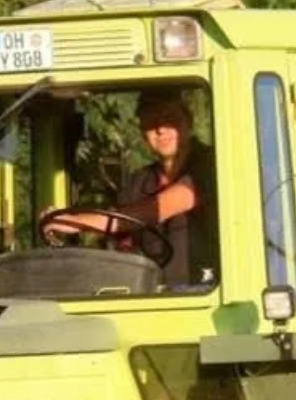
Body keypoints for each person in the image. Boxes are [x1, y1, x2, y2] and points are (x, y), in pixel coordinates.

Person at [43, 89, 217, 287]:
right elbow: (120, 240)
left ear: (188, 121)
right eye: (151, 122)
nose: (160, 129)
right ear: (142, 131)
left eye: (170, 118)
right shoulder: (138, 182)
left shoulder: (211, 164)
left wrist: (76, 222)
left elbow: (155, 210)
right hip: (152, 293)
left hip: (205, 291)